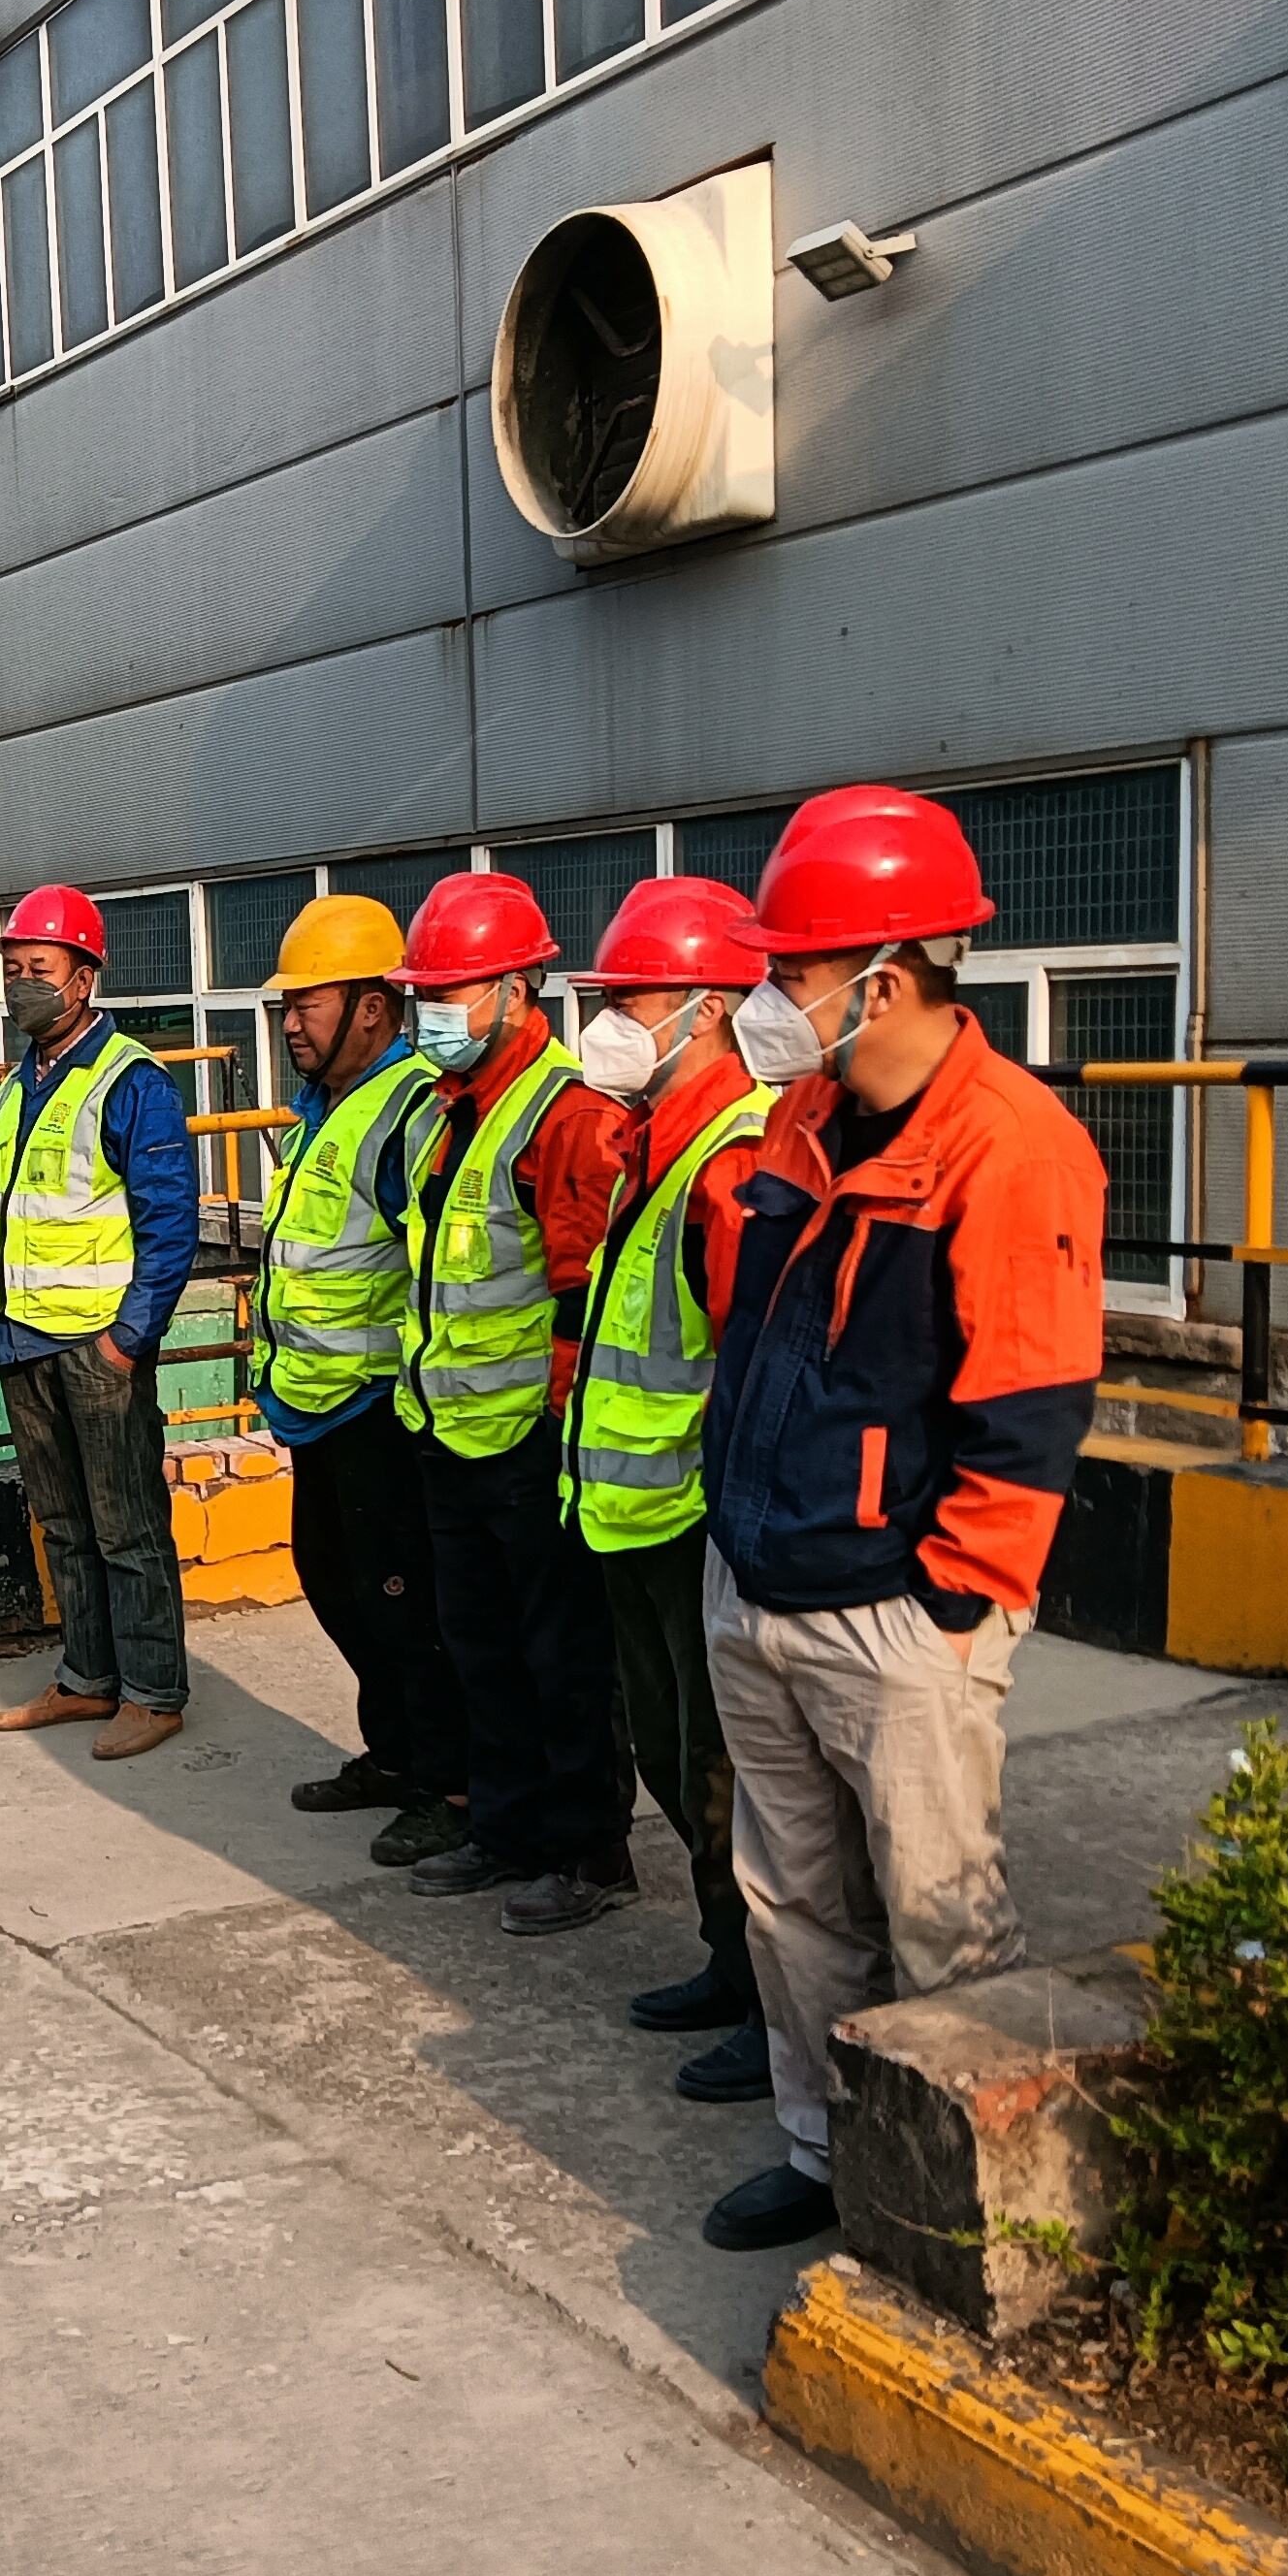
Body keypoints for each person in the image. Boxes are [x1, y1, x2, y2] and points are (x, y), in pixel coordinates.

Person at [696, 788, 1107, 2250]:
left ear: (880, 976)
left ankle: (980, 2216)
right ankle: (827, 2158)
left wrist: (953, 1603)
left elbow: (1031, 1411)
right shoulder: (806, 1112)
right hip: (758, 1581)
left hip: (898, 1616)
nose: (769, 996)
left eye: (789, 969)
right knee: (791, 1907)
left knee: (941, 1922)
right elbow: (756, 1335)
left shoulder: (1015, 1146)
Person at [387, 874, 638, 1935]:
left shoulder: (567, 1118)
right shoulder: (449, 1114)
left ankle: (588, 1850)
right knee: (477, 1644)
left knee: (560, 1654)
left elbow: (586, 1291)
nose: (432, 1013)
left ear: (518, 989)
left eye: (453, 991)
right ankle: (505, 1828)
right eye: (425, 993)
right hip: (450, 1430)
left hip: (529, 1442)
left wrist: (554, 1418)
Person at [557, 879, 774, 2098]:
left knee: (717, 1769)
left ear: (706, 1011)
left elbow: (751, 1366)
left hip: (694, 1524)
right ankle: (723, 1962)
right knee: (668, 1754)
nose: (605, 1023)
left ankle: (763, 1996)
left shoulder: (727, 1164)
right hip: (631, 1516)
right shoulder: (657, 1144)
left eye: (626, 999)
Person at [251, 894, 467, 1867]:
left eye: (310, 1002)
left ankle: (446, 1785)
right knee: (336, 1587)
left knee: (402, 1602)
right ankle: (392, 1754)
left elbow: (436, 1267)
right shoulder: (322, 1111)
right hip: (317, 1406)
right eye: (285, 1007)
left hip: (383, 1407)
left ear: (375, 1007)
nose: (290, 1022)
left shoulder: (411, 1109)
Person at [0, 883, 200, 1760]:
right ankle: (85, 1677)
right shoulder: (15, 1086)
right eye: (13, 969)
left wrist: (125, 1342)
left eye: (40, 968)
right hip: (22, 1339)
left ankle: (153, 1690)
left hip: (95, 1345)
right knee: (63, 1522)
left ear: (84, 980)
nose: (22, 983)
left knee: (126, 1522)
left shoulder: (130, 1080)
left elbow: (169, 1222)